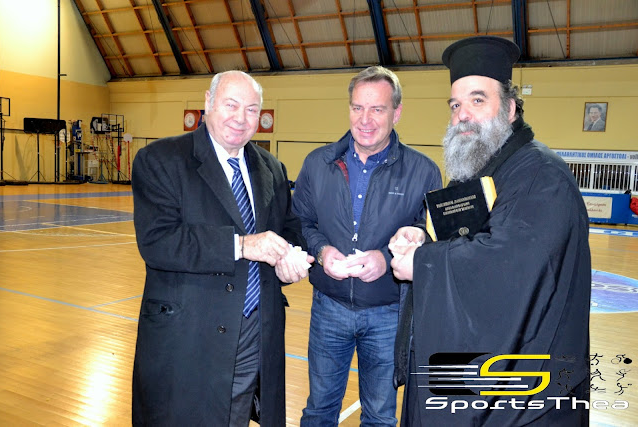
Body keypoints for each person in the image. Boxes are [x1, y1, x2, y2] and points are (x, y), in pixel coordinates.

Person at [390, 36, 591, 426]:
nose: (463, 115)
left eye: (477, 100)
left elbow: (508, 264)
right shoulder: (478, 171)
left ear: (510, 108)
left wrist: (424, 263)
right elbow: (461, 234)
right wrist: (421, 236)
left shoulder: (542, 176)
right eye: (455, 105)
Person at [131, 70, 311, 426]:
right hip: (190, 334)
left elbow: (291, 230)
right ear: (208, 103)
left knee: (235, 418)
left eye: (251, 109)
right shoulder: (161, 159)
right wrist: (241, 245)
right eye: (231, 105)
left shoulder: (272, 168)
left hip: (254, 333)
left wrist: (292, 259)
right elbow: (158, 241)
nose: (240, 118)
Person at [292, 66, 442, 426]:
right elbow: (300, 223)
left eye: (377, 109)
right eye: (358, 107)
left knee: (379, 417)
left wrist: (387, 257)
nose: (365, 119)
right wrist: (322, 251)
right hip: (328, 307)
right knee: (318, 411)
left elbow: (431, 236)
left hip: (388, 313)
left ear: (397, 112)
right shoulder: (317, 164)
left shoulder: (424, 171)